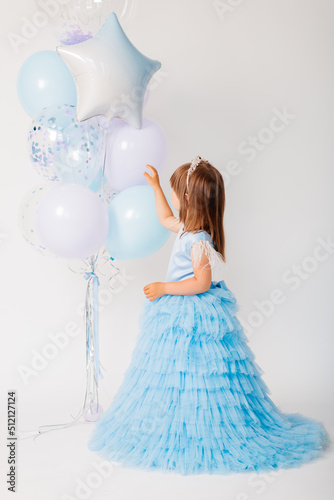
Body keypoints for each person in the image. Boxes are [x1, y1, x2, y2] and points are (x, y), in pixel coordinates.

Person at [87, 156, 330, 475]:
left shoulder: (199, 240)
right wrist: (157, 187)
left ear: (188, 199)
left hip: (191, 309)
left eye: (176, 192)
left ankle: (201, 425)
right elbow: (164, 218)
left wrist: (164, 286)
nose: (173, 199)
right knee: (172, 370)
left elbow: (201, 282)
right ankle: (175, 417)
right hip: (176, 308)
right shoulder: (186, 228)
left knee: (200, 369)